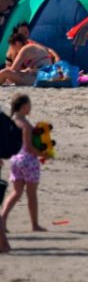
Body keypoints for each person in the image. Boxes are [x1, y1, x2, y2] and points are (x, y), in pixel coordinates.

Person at [0, 94, 45, 234]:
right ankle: (35, 225)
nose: (30, 107)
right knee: (31, 194)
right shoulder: (25, 124)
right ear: (24, 106)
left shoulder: (11, 122)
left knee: (16, 192)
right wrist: (44, 154)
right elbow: (28, 147)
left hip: (15, 160)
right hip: (28, 160)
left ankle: (2, 220)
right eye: (29, 105)